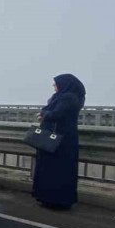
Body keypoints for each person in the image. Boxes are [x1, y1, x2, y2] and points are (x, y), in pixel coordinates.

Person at [32, 74, 86, 210]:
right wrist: (45, 112)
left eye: (56, 83)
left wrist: (43, 114)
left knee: (56, 170)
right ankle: (48, 198)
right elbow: (49, 110)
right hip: (60, 138)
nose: (54, 86)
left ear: (64, 84)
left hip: (60, 140)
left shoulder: (69, 98)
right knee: (54, 169)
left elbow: (57, 114)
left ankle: (56, 200)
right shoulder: (67, 97)